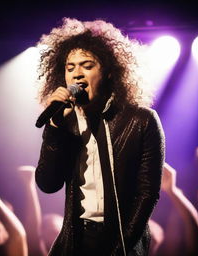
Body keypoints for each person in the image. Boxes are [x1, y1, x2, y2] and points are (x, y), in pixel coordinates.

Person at [35, 18, 165, 256]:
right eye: (70, 67)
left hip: (122, 242)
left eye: (87, 65)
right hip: (75, 241)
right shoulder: (65, 123)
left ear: (106, 72)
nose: (77, 74)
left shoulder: (141, 121)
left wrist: (120, 248)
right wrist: (54, 127)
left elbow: (147, 194)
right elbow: (47, 184)